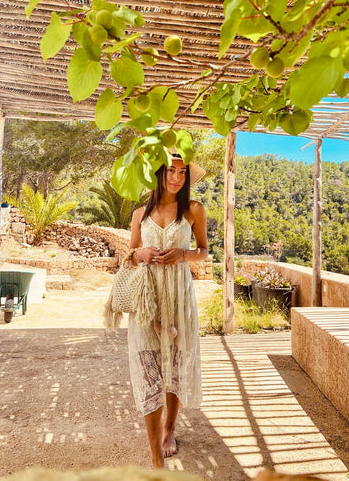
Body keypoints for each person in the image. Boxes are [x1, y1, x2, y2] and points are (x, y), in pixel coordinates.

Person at [126, 152, 208, 469]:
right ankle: (155, 456)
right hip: (147, 302)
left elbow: (203, 251)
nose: (176, 177)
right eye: (171, 171)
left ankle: (169, 430)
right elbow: (130, 256)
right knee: (149, 369)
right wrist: (141, 254)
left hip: (179, 298)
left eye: (182, 172)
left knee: (175, 367)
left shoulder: (193, 210)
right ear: (159, 173)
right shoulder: (140, 214)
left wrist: (183, 255)